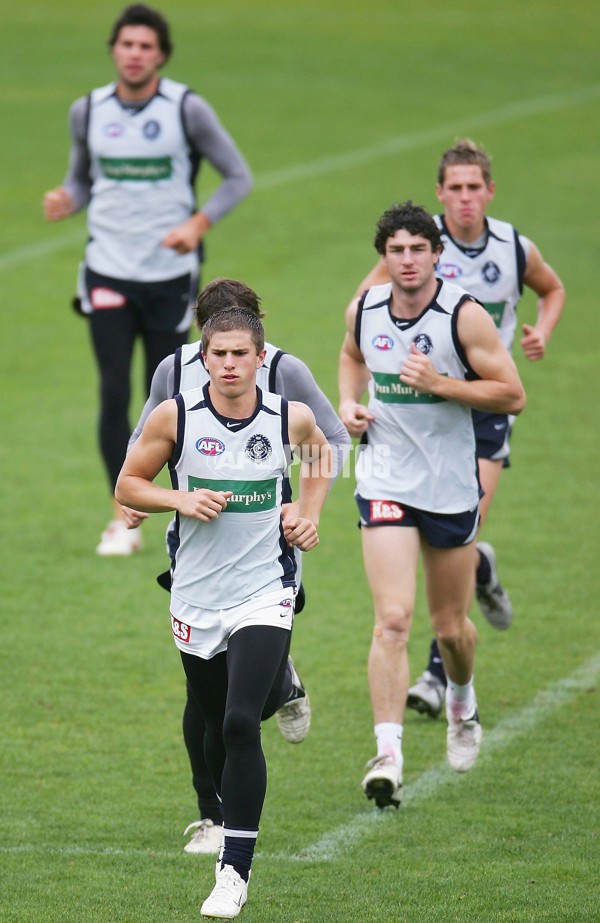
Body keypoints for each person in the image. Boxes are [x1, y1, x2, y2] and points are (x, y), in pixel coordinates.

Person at [116, 308, 331, 918]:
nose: (230, 364)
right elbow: (128, 485)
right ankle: (283, 685)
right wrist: (177, 498)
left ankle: (233, 870)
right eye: (220, 354)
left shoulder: (290, 417)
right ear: (203, 358)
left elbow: (320, 457)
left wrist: (306, 513)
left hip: (265, 588)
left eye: (241, 354)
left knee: (239, 725)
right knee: (214, 724)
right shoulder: (175, 417)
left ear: (261, 358)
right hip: (195, 594)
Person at [353, 140, 564, 718]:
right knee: (439, 550)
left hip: (482, 410)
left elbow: (552, 289)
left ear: (490, 192)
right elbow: (364, 310)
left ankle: (436, 672)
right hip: (416, 417)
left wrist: (541, 330)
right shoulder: (415, 245)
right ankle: (480, 573)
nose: (466, 198)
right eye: (456, 188)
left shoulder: (513, 248)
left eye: (475, 187)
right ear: (440, 193)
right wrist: (362, 388)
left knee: (461, 528)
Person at [43, 3, 252, 556]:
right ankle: (122, 514)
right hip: (107, 269)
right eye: (126, 44)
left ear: (161, 55)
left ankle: (180, 501)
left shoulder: (186, 109)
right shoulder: (88, 111)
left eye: (145, 46)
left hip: (169, 276)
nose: (134, 54)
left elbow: (237, 176)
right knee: (113, 389)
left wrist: (197, 224)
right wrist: (68, 198)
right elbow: (82, 179)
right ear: (114, 50)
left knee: (167, 395)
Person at [339, 201, 526, 807]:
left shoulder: (463, 316)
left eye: (418, 249)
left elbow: (512, 395)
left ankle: (462, 703)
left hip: (448, 485)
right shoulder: (365, 309)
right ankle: (387, 753)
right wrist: (348, 404)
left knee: (450, 630)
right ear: (384, 256)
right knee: (393, 619)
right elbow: (352, 356)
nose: (407, 260)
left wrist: (439, 384)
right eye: (396, 250)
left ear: (436, 255)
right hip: (385, 478)